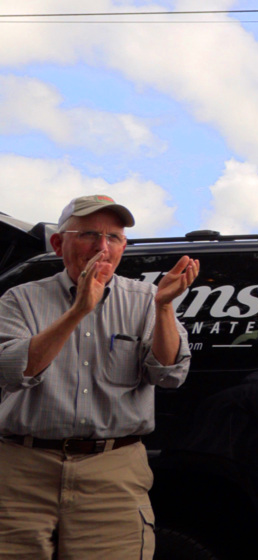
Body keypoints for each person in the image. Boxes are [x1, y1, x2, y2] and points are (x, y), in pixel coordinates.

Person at [0, 195, 199, 559]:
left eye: (114, 238)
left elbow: (170, 374)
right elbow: (14, 370)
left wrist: (165, 306)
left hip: (112, 472)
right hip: (19, 470)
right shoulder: (19, 299)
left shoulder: (147, 299)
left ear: (124, 246)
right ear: (59, 244)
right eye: (89, 234)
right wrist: (78, 312)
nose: (102, 247)